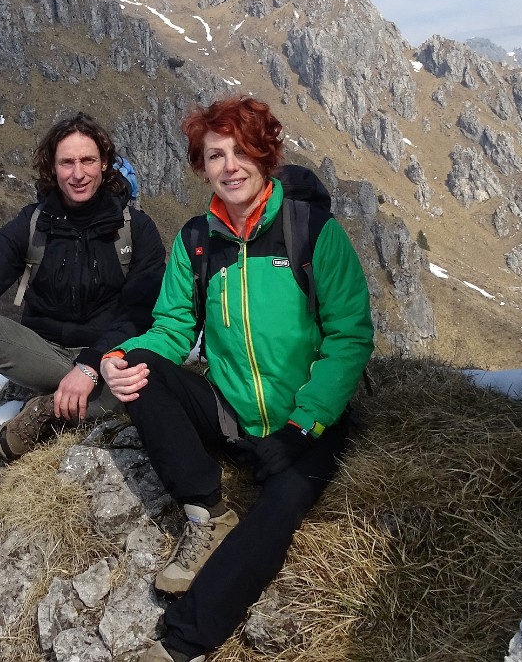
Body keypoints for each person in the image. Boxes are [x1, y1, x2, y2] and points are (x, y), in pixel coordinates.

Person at [101, 97, 374, 662]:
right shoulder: (197, 242)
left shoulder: (314, 233)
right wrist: (119, 357)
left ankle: (183, 642)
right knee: (143, 372)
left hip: (307, 421)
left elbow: (349, 338)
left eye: (241, 151)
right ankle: (207, 508)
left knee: (277, 512)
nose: (229, 166)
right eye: (214, 155)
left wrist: (303, 429)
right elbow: (173, 329)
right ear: (202, 167)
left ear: (265, 154)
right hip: (231, 413)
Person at [0, 112, 165, 536]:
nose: (79, 173)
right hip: (44, 354)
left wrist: (89, 365)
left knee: (153, 376)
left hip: (108, 359)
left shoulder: (135, 229)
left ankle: (48, 412)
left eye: (88, 161)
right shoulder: (34, 225)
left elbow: (140, 310)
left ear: (105, 164)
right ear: (52, 167)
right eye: (67, 163)